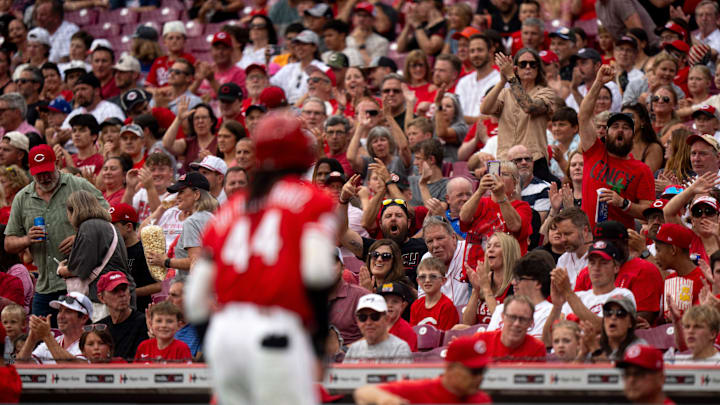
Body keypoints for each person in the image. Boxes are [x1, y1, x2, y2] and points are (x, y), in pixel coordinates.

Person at [187, 112, 337, 404]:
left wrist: (216, 340)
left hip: (225, 334)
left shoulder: (229, 209)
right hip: (276, 329)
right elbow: (318, 273)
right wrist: (318, 345)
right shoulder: (312, 200)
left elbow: (195, 298)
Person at [5, 144, 106, 320]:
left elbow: (107, 217)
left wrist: (81, 237)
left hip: (79, 282)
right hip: (45, 285)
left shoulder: (77, 185)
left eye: (47, 171)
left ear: (57, 163)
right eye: (38, 173)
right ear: (30, 171)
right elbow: (8, 243)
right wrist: (27, 240)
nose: (44, 178)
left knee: (81, 338)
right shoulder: (22, 198)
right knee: (38, 339)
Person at [578, 64, 655, 231]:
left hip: (618, 241)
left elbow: (648, 211)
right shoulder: (594, 151)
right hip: (586, 237)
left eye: (626, 128)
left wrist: (624, 203)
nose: (620, 130)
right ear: (606, 132)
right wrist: (598, 82)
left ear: (633, 134)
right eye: (615, 126)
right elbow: (583, 116)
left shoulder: (641, 170)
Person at [481, 48, 556, 183]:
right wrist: (502, 81)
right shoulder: (504, 92)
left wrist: (511, 77)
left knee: (536, 201)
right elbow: (484, 109)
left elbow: (529, 107)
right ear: (516, 68)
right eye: (523, 64)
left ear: (538, 69)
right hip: (503, 161)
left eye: (532, 64)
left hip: (533, 160)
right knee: (493, 197)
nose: (528, 67)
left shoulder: (546, 92)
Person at [56, 190, 131, 319]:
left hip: (103, 296)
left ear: (73, 210)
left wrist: (62, 270)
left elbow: (82, 268)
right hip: (117, 291)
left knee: (102, 336)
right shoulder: (109, 225)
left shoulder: (88, 226)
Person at [353, 334, 492, 404]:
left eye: (482, 371)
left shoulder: (481, 400)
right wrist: (386, 400)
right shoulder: (425, 388)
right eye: (474, 371)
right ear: (450, 367)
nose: (479, 377)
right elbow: (363, 392)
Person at [459, 161, 533, 266]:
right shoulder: (481, 202)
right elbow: (463, 217)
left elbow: (515, 226)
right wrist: (480, 191)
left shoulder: (522, 207)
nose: (498, 177)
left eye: (504, 174)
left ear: (515, 182)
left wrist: (501, 196)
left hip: (507, 272)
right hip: (475, 269)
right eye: (496, 173)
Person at [146, 172, 217, 275]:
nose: (177, 197)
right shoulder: (212, 216)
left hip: (189, 285)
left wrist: (165, 261)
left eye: (182, 192)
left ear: (196, 194)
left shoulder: (192, 222)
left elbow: (196, 262)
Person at [487, 250, 554, 339]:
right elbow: (488, 343)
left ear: (537, 283)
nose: (513, 282)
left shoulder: (549, 313)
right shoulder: (501, 309)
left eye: (519, 279)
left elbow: (537, 347)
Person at [463, 232, 521, 325]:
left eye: (497, 246)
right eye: (488, 246)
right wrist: (476, 290)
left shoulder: (516, 285)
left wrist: (486, 288)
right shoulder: (485, 280)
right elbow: (467, 323)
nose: (490, 250)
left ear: (509, 253)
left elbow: (502, 322)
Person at [110, 203, 159, 313]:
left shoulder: (144, 251)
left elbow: (158, 286)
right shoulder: (112, 250)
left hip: (140, 310)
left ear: (128, 226)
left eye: (114, 226)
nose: (110, 230)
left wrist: (129, 293)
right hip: (117, 310)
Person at [16, 292, 91, 363]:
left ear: (84, 318)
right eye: (60, 310)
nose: (60, 316)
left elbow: (77, 368)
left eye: (68, 311)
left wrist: (47, 336)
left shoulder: (92, 344)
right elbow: (19, 366)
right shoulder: (50, 343)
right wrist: (32, 339)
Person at [653, 223, 706, 318]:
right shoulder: (669, 280)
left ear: (673, 249)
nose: (655, 256)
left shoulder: (704, 280)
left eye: (658, 249)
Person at [473, 295, 546, 361]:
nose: (516, 323)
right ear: (502, 316)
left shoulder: (537, 348)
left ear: (531, 322)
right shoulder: (481, 341)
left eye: (523, 319)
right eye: (512, 317)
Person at [343, 293, 412, 363]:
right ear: (357, 321)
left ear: (387, 319)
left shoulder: (400, 349)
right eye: (362, 317)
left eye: (375, 316)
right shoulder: (354, 350)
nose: (368, 322)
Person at [96, 271, 148, 360]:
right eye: (115, 291)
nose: (121, 294)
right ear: (101, 298)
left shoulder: (144, 323)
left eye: (124, 289)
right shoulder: (100, 327)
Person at [581, 295, 645, 361]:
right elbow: (574, 370)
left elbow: (611, 371)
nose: (613, 317)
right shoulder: (598, 343)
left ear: (630, 322)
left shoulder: (639, 347)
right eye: (608, 313)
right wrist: (582, 353)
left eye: (620, 313)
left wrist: (594, 348)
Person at [329, 252, 371, 345]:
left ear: (343, 267)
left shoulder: (361, 296)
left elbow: (375, 334)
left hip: (352, 356)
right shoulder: (308, 297)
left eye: (332, 263)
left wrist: (346, 350)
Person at [410, 257, 459, 330]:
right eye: (422, 277)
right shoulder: (416, 305)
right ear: (418, 281)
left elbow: (445, 337)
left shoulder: (447, 307)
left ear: (443, 280)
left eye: (433, 276)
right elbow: (413, 333)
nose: (427, 280)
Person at [554, 207, 592, 288]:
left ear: (585, 231)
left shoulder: (601, 257)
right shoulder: (563, 260)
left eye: (567, 234)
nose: (562, 240)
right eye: (560, 235)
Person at [377, 281, 417, 352]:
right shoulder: (374, 325)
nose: (389, 305)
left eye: (395, 301)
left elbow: (409, 359)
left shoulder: (406, 331)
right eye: (385, 301)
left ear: (403, 305)